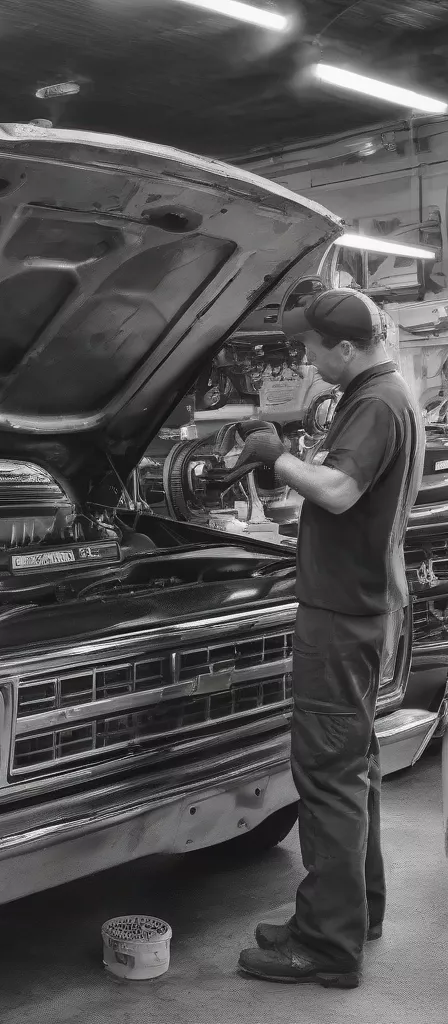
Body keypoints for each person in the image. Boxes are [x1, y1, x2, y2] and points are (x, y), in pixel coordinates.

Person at [231, 287, 424, 988]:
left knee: (329, 776)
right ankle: (352, 912)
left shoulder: (374, 403)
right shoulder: (387, 392)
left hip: (341, 617)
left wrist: (275, 456)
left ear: (345, 347)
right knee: (355, 770)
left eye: (312, 348)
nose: (306, 359)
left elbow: (340, 492)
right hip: (360, 609)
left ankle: (325, 945)